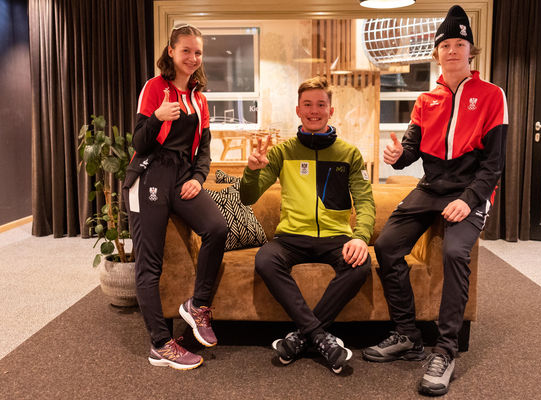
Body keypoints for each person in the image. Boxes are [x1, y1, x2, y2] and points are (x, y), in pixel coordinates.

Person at [362, 5, 508, 396]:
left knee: (455, 252)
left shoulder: (492, 95)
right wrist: (398, 156)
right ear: (437, 53)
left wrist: (470, 200)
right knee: (387, 246)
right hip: (430, 186)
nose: (453, 50)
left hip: (470, 187)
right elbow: (411, 150)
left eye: (460, 44)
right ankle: (408, 335)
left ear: (470, 51)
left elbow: (493, 165)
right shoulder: (426, 99)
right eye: (446, 45)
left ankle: (445, 351)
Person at [239, 76, 376, 374]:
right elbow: (248, 197)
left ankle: (302, 337)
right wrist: (251, 171)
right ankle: (320, 337)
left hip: (336, 237)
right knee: (265, 259)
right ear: (298, 110)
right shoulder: (281, 152)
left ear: (331, 110)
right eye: (308, 104)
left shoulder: (349, 153)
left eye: (321, 105)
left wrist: (361, 237)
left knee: (361, 264)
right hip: (291, 237)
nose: (314, 111)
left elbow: (365, 202)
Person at [123, 24, 228, 370]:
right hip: (149, 177)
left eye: (198, 52)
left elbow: (204, 150)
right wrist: (156, 117)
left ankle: (198, 306)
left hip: (182, 178)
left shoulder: (199, 98)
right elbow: (139, 143)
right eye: (186, 51)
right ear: (171, 51)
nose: (192, 58)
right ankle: (160, 344)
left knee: (217, 228)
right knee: (149, 263)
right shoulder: (155, 88)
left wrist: (198, 178)